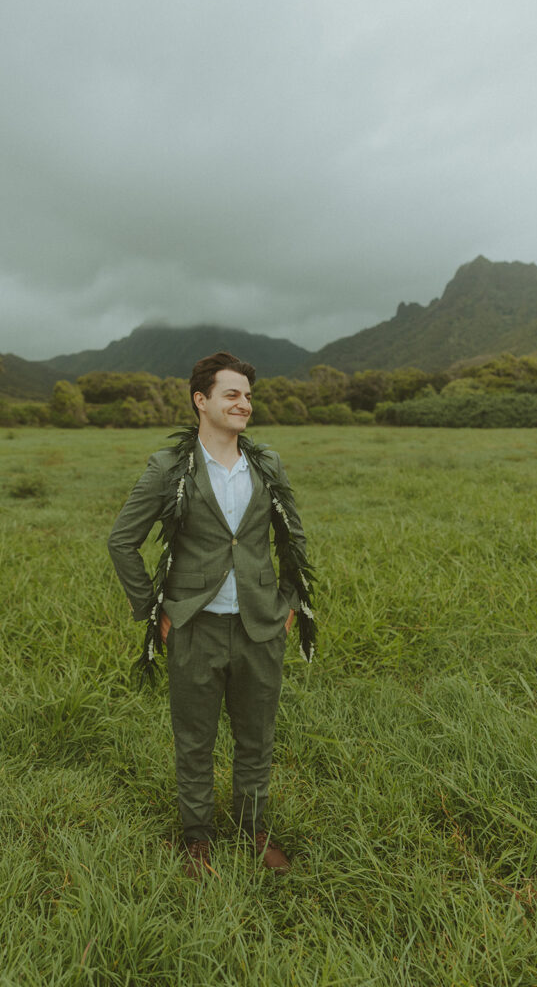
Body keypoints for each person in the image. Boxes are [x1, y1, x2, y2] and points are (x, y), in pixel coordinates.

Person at [107, 351, 314, 880]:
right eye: (232, 394)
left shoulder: (266, 464)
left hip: (261, 626)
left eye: (247, 395)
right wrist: (154, 612)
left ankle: (253, 831)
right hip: (194, 625)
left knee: (257, 738)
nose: (244, 403)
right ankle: (197, 841)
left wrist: (289, 602)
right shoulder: (168, 467)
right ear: (201, 401)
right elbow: (122, 542)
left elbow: (294, 535)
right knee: (194, 741)